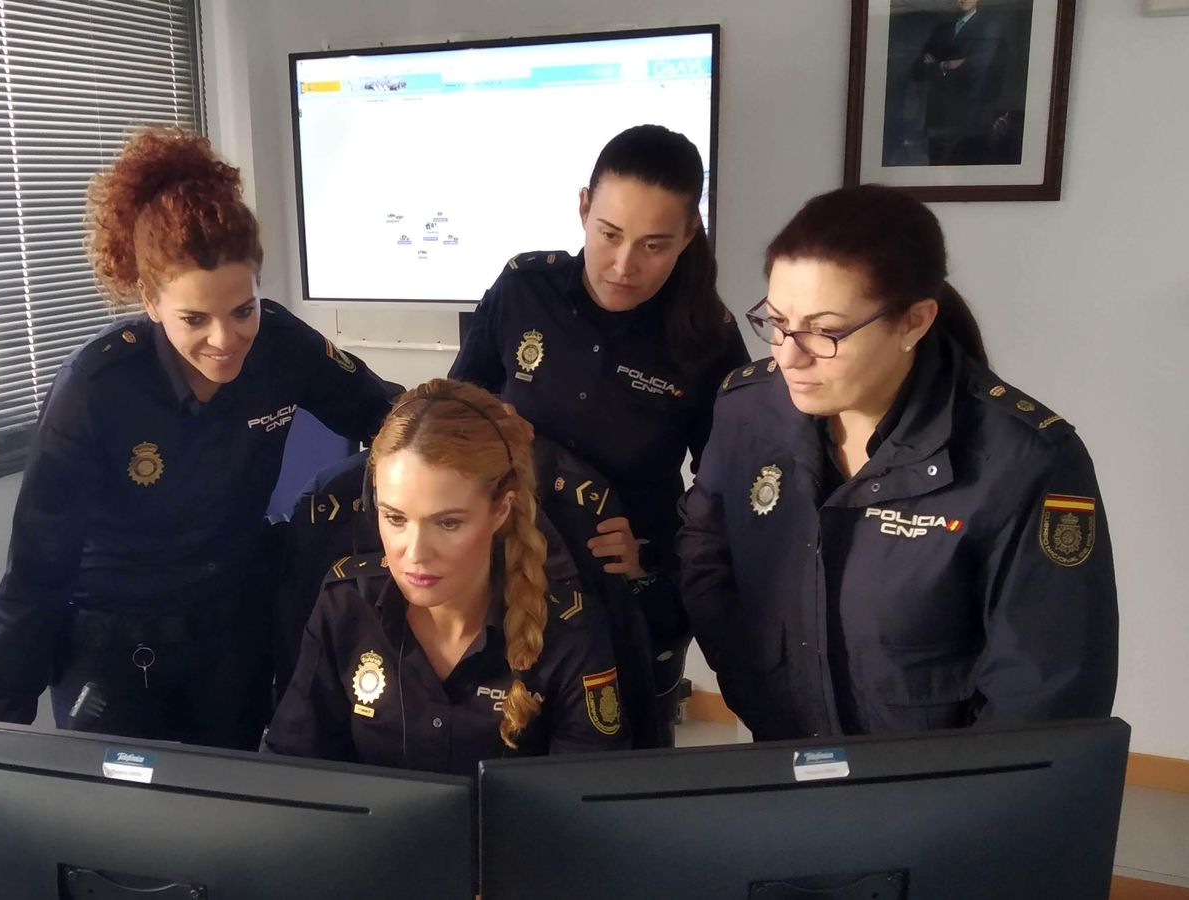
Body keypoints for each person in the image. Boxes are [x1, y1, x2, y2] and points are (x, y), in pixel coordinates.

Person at [0, 126, 394, 749]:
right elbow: (38, 565)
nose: (224, 341)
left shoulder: (280, 345)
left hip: (232, 636)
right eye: (194, 319)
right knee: (121, 826)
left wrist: (477, 442)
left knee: (224, 812)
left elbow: (388, 415)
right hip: (111, 648)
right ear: (149, 300)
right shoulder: (97, 388)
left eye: (242, 310)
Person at [678, 184, 1118, 741]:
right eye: (778, 321)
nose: (788, 354)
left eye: (826, 330)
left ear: (913, 322)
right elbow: (706, 551)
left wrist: (945, 804)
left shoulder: (1026, 460)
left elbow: (1046, 692)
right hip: (782, 749)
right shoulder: (748, 411)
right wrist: (752, 685)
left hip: (943, 796)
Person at [449, 124, 749, 743]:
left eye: (655, 246)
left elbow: (733, 487)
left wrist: (652, 551)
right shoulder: (523, 288)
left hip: (632, 593)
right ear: (583, 207)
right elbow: (455, 417)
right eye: (609, 234)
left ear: (689, 236)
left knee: (627, 760)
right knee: (513, 746)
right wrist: (493, 427)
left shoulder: (706, 337)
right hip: (517, 575)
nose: (623, 265)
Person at [265, 379, 630, 776]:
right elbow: (292, 770)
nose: (416, 553)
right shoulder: (345, 606)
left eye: (449, 523)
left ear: (501, 511)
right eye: (395, 518)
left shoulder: (568, 631)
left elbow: (584, 808)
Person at [910, 0, 1006, 166]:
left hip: (970, 123)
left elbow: (974, 71)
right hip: (938, 122)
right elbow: (917, 71)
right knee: (936, 177)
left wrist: (936, 64)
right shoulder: (940, 30)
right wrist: (947, 65)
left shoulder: (989, 28)